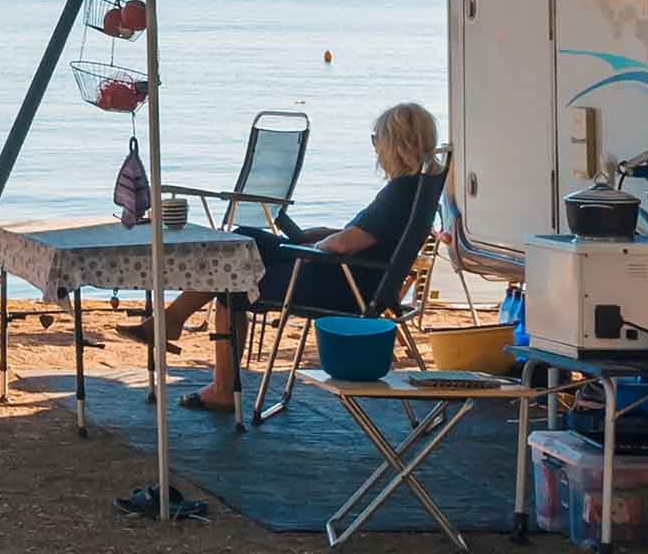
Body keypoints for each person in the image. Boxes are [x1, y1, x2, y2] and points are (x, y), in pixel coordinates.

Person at [165, 100, 441, 411]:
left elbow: (345, 245)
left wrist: (317, 247)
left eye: (377, 139)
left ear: (395, 144)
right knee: (245, 237)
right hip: (352, 277)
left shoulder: (400, 192)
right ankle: (173, 320)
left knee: (232, 281)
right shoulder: (417, 188)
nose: (375, 147)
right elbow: (372, 236)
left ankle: (219, 383)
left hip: (337, 284)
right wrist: (324, 235)